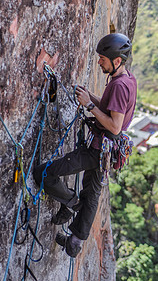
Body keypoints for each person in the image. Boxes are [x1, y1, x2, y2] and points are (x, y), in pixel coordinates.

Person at [33, 33, 137, 257]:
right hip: (106, 150)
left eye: (103, 58)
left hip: (98, 150)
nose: (99, 61)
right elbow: (112, 109)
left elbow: (115, 125)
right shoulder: (127, 79)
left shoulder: (119, 86)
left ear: (116, 61)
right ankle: (76, 241)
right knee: (92, 193)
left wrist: (89, 104)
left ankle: (71, 203)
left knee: (43, 173)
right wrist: (90, 96)